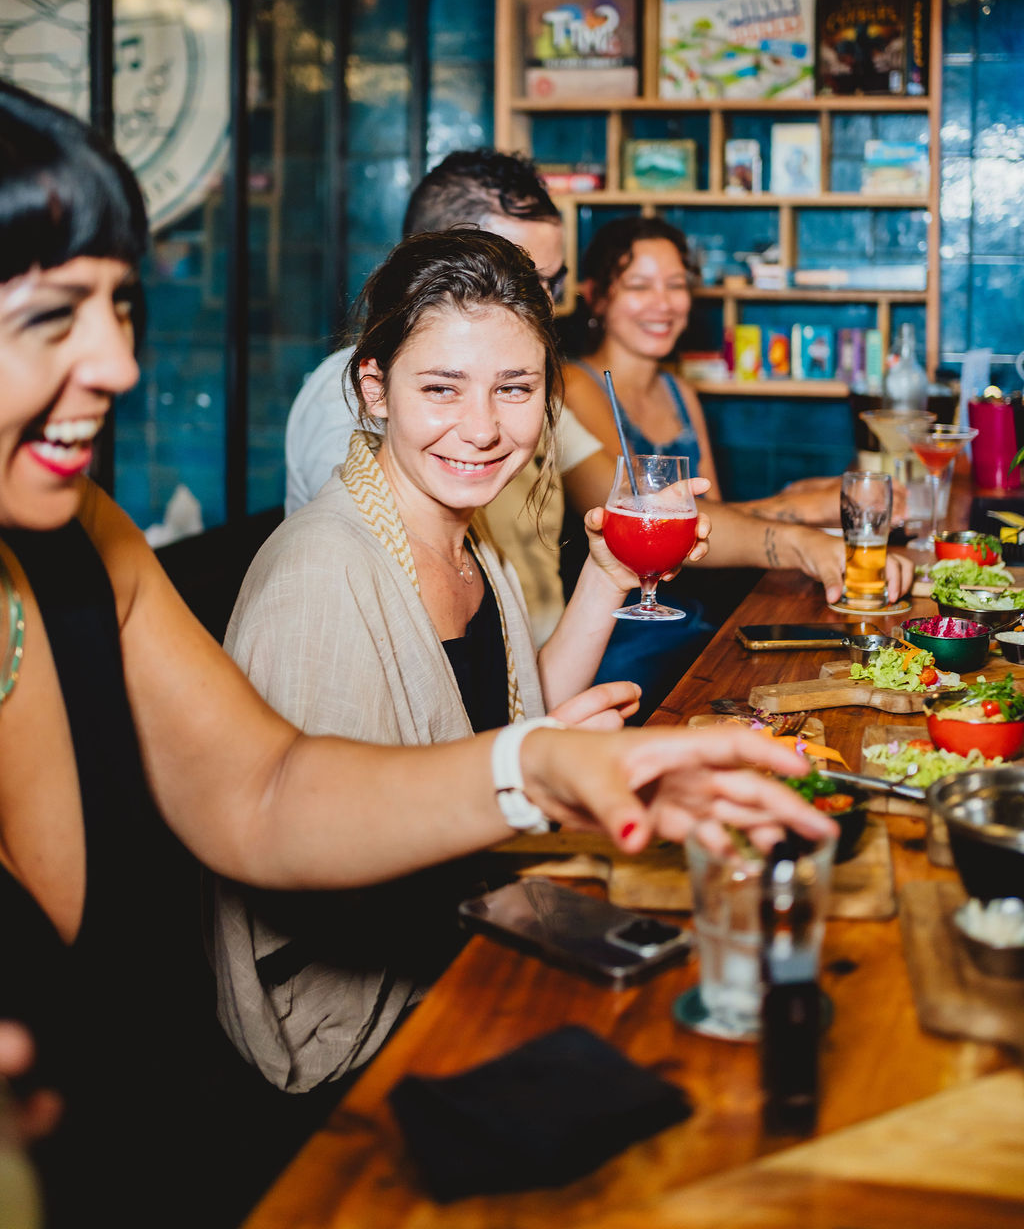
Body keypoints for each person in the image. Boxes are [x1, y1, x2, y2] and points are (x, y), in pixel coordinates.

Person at [0, 81, 833, 1227]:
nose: (119, 365)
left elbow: (269, 784)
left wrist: (534, 768)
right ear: (375, 392)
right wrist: (532, 786)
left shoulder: (87, 538)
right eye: (51, 314)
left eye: (123, 307)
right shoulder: (328, 561)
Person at [216, 228, 714, 1092]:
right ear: (375, 389)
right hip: (361, 1021)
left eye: (514, 389)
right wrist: (537, 777)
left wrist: (607, 574)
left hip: (461, 925)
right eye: (441, 388)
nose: (482, 429)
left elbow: (503, 720)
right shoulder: (322, 578)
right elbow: (320, 875)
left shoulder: (464, 537)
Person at [284, 149, 903, 645]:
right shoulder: (353, 399)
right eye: (520, 274)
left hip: (539, 678)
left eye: (546, 282)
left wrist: (798, 526)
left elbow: (636, 505)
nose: (545, 305)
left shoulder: (526, 392)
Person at [561, 216, 913, 710]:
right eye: (639, 286)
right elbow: (644, 524)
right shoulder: (574, 387)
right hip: (616, 632)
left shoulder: (677, 391)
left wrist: (803, 503)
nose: (662, 303)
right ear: (596, 295)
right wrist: (802, 522)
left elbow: (705, 530)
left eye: (676, 285)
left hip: (689, 612)